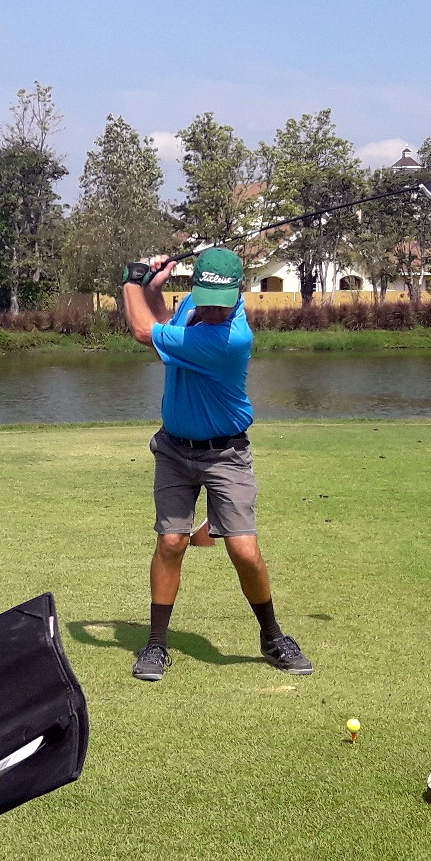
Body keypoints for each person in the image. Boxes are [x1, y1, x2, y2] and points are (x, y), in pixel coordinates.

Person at [118, 248, 314, 682]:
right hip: (174, 449)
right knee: (171, 541)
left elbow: (144, 332)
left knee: (243, 550)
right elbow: (165, 331)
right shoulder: (197, 305)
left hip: (226, 453)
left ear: (239, 293)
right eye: (205, 300)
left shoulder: (230, 339)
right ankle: (156, 644)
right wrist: (155, 289)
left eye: (220, 304)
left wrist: (132, 281)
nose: (211, 310)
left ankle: (273, 636)